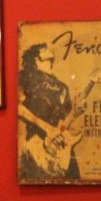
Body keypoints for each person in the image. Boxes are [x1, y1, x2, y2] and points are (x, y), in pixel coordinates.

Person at [17, 42, 80, 180]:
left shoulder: (62, 86)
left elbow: (63, 122)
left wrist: (76, 111)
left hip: (60, 145)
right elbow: (18, 108)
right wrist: (46, 127)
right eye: (44, 49)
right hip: (36, 145)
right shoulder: (25, 77)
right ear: (36, 58)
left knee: (73, 183)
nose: (48, 49)